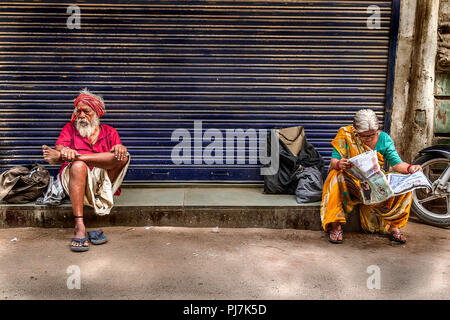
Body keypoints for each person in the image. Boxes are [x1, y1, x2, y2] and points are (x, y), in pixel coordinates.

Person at [42, 89, 130, 252]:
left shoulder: (110, 132)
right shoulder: (70, 129)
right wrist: (64, 151)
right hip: (75, 182)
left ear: (96, 113)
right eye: (78, 111)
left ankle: (79, 159)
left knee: (123, 156)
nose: (81, 116)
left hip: (101, 183)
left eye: (86, 111)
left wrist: (119, 147)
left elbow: (118, 157)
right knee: (78, 166)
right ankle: (79, 225)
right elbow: (60, 147)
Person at [320, 109, 422, 244]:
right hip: (352, 184)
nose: (368, 139)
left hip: (374, 184)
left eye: (372, 135)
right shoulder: (345, 134)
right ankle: (335, 226)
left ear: (377, 130)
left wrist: (410, 168)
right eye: (363, 136)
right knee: (334, 175)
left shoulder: (384, 138)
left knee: (407, 182)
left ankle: (394, 226)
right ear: (355, 131)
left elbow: (397, 164)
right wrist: (340, 164)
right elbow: (333, 162)